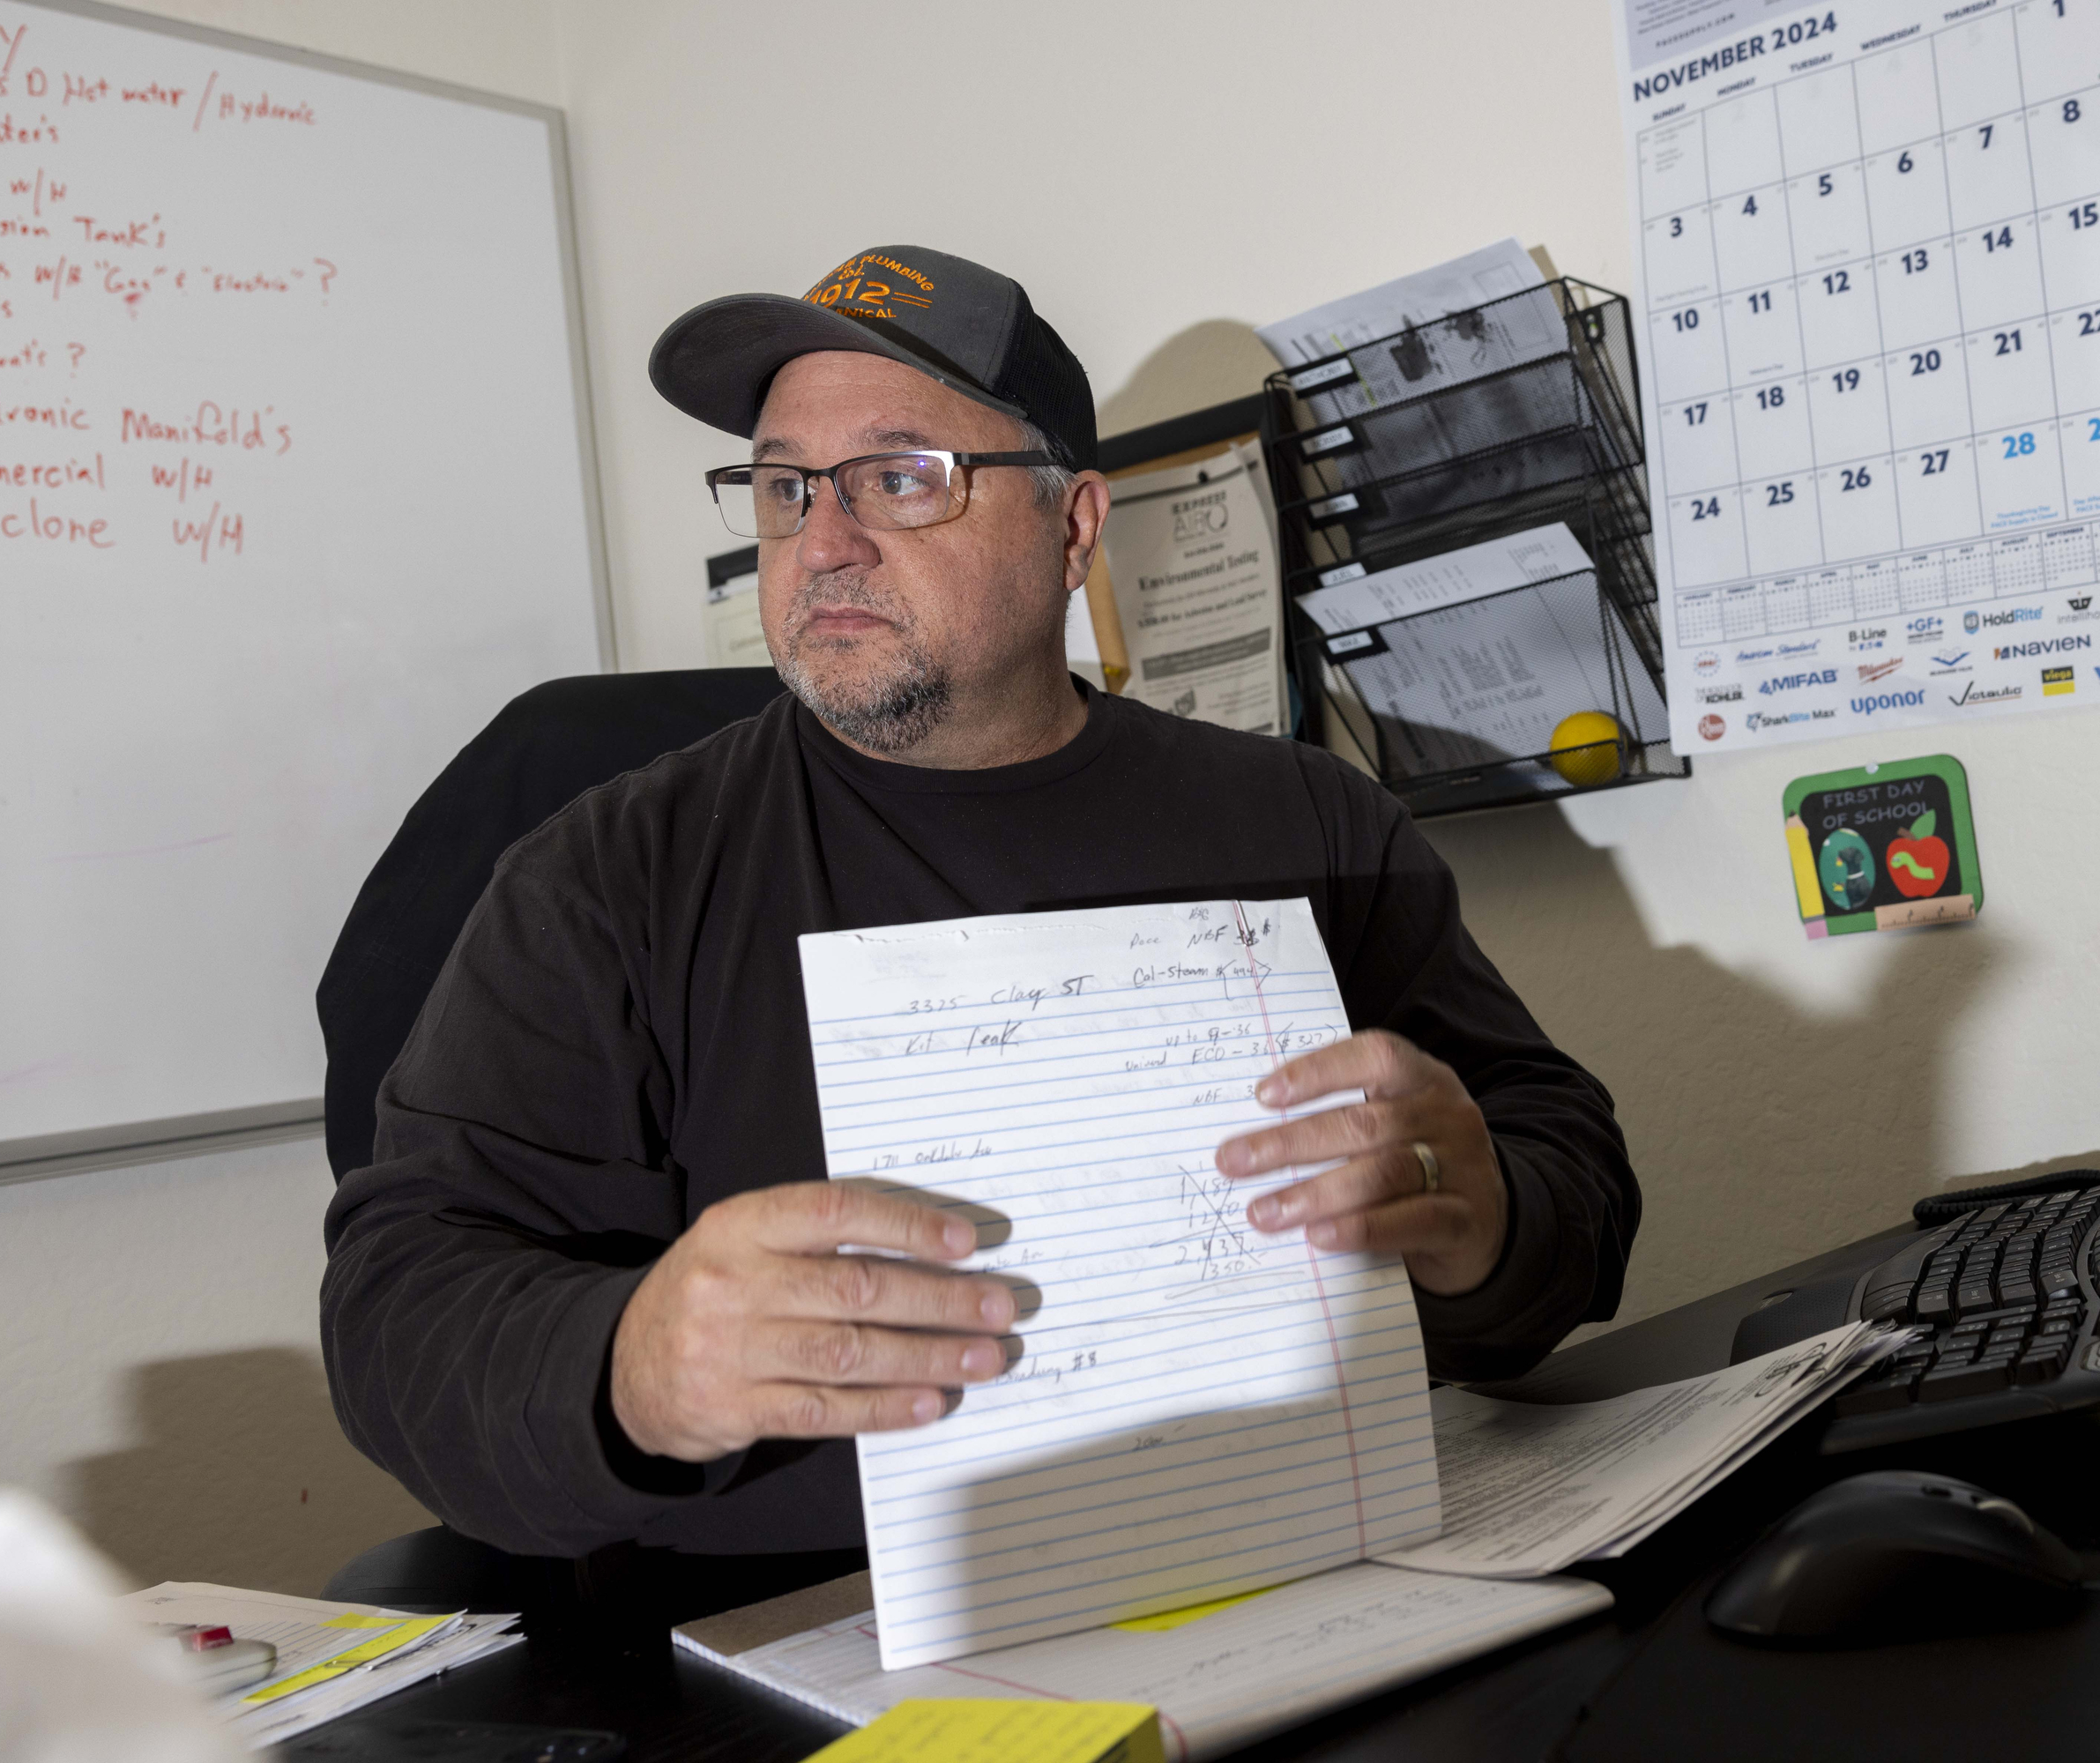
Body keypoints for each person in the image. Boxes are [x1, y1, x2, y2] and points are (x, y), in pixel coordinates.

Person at [320, 244, 1639, 1611]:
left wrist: (1484, 1214)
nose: (823, 542)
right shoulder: (609, 875)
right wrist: (630, 1363)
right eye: (785, 487)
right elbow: (396, 1304)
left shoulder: (1308, 825)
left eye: (900, 477)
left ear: (1074, 527)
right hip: (793, 1631)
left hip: (1290, 1566)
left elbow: (1564, 1164)